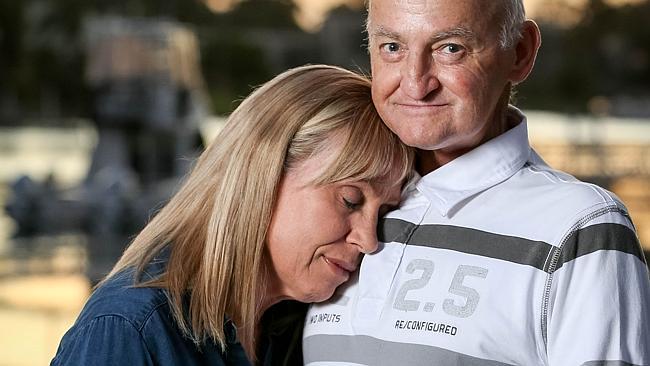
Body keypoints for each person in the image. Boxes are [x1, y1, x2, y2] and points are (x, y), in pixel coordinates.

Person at [302, 1, 650, 365]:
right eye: (393, 47)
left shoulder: (581, 227)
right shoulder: (331, 201)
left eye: (450, 48)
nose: (416, 84)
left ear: (520, 52)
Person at [50, 64, 414, 366]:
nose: (368, 240)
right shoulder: (130, 331)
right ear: (264, 173)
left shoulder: (298, 327)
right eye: (350, 200)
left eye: (384, 212)